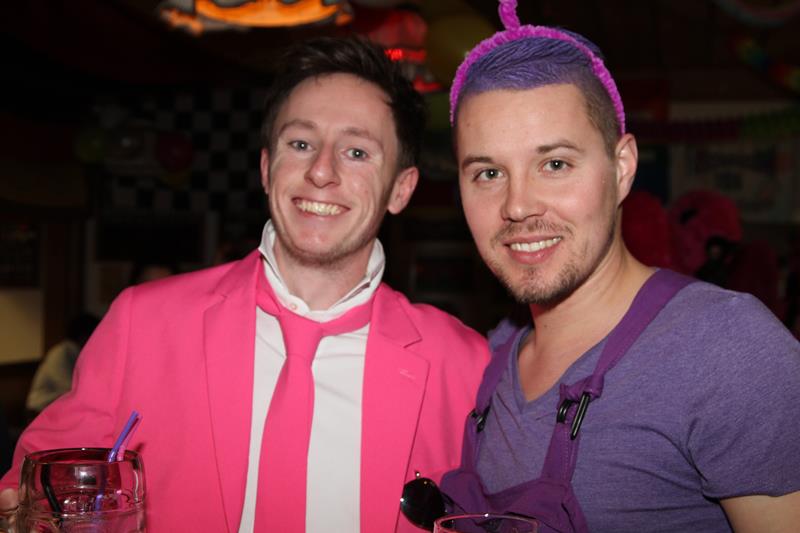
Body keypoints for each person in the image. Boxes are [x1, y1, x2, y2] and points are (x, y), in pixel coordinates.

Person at [0, 37, 489, 532]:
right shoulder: (141, 323)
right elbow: (34, 490)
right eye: (300, 144)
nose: (321, 171)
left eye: (357, 151)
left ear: (401, 189)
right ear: (266, 168)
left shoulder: (463, 364)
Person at [436, 1, 800, 531]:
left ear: (622, 167)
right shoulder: (491, 357)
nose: (517, 205)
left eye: (554, 164)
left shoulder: (729, 349)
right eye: (488, 173)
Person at [25, 313, 100, 415]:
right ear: (84, 335)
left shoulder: (78, 354)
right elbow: (68, 387)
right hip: (40, 410)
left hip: (58, 408)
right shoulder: (62, 352)